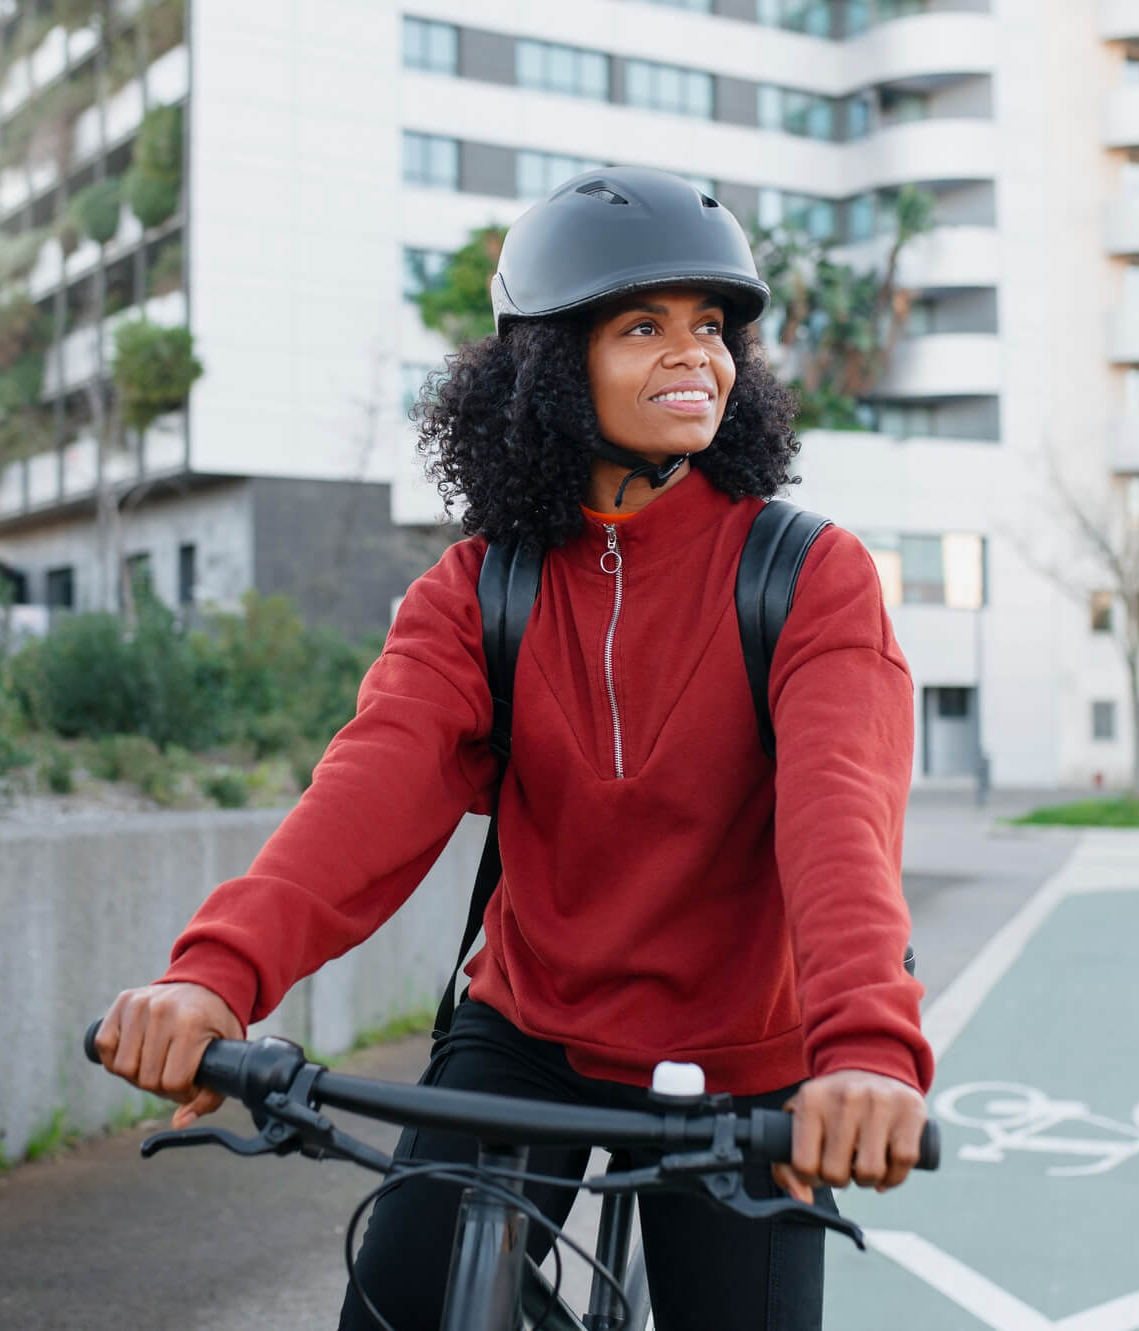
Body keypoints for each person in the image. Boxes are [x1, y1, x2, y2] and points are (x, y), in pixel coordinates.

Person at [91, 167, 932, 1330]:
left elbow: (841, 817)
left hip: (745, 1055)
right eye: (643, 326)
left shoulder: (803, 573)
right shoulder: (479, 589)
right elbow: (367, 797)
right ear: (549, 366)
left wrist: (865, 1050)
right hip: (528, 1031)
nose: (696, 355)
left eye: (711, 326)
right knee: (396, 1311)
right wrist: (211, 975)